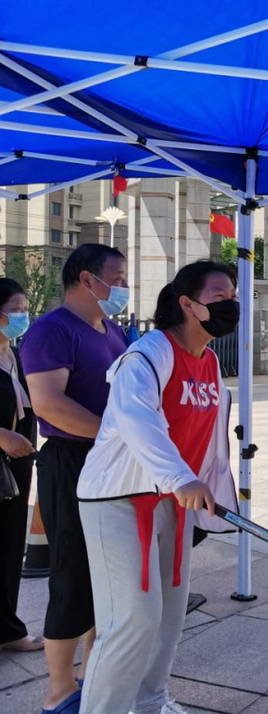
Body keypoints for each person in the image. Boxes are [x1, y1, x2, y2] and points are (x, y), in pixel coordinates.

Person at [77, 261, 240, 714]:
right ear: (187, 303)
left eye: (233, 297)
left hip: (173, 503)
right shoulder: (147, 354)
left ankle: (150, 704)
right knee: (131, 620)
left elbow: (207, 440)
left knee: (167, 617)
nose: (231, 305)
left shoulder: (210, 363)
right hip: (119, 500)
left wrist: (204, 487)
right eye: (219, 296)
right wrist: (179, 477)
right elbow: (136, 419)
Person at [21, 243, 130, 714]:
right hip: (71, 462)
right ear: (88, 279)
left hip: (111, 462)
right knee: (72, 573)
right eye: (118, 279)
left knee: (103, 576)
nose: (124, 288)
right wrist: (116, 435)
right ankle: (59, 691)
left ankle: (92, 674)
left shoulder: (114, 331)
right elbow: (48, 403)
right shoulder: (51, 330)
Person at [0, 279, 42, 654]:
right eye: (16, 309)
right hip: (4, 457)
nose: (22, 316)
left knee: (11, 547)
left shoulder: (15, 355)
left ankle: (7, 629)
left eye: (25, 309)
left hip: (16, 468)